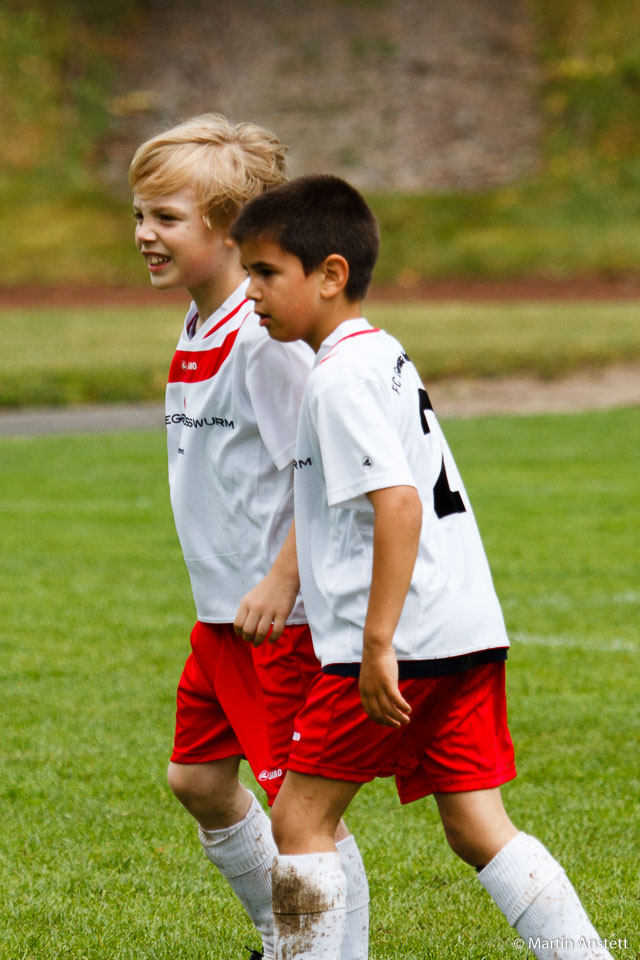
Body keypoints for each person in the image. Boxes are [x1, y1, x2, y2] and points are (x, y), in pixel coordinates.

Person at [231, 174, 616, 960]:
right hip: (466, 630)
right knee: (478, 825)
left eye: (266, 273)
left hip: (401, 644)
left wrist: (375, 646)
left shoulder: (335, 379)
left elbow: (398, 504)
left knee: (300, 822)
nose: (252, 292)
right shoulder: (384, 352)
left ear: (330, 274)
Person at [128, 119, 369, 960]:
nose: (143, 236)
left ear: (227, 230)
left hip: (279, 623)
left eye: (164, 217)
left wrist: (281, 580)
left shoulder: (264, 343)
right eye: (139, 215)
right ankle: (283, 933)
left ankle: (333, 951)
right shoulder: (199, 328)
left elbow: (326, 474)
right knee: (197, 780)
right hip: (222, 616)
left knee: (309, 820)